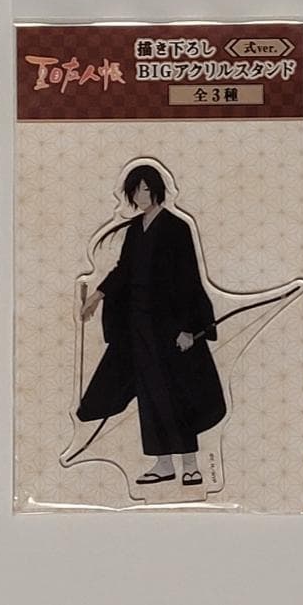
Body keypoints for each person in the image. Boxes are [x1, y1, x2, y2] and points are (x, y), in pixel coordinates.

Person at [78, 164, 226, 486]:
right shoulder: (135, 229)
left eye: (144, 188)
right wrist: (97, 296)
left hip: (171, 325)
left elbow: (187, 278)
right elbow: (124, 269)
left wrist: (189, 328)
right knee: (149, 392)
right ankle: (163, 463)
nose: (139, 195)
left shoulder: (177, 227)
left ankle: (190, 464)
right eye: (134, 190)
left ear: (157, 189)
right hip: (138, 323)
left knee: (177, 391)